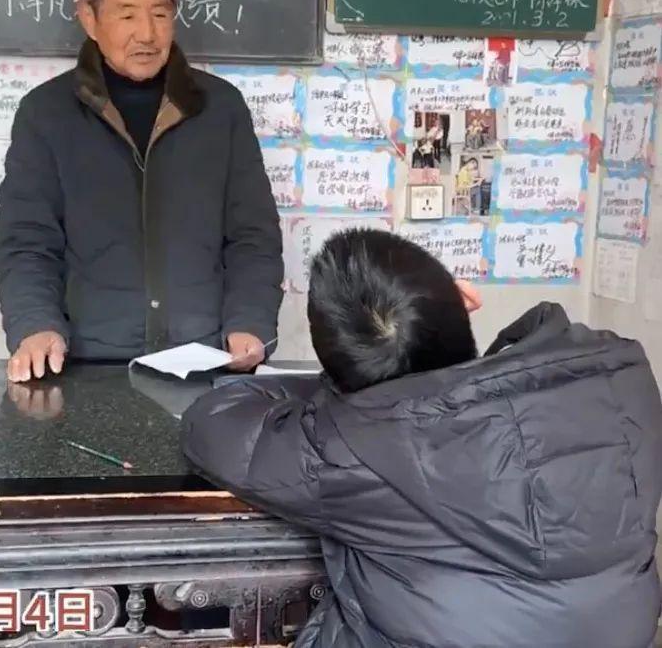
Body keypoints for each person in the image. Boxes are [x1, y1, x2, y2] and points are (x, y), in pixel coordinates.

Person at [181, 229, 662, 648]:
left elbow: (214, 420)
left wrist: (343, 386)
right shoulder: (620, 378)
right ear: (460, 299)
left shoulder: (349, 446)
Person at [0, 0, 284, 383]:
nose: (147, 33)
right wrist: (35, 325)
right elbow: (25, 242)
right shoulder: (45, 114)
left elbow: (253, 236)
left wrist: (250, 321)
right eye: (126, 15)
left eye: (161, 14)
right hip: (87, 365)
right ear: (89, 19)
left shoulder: (221, 109)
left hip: (205, 360)